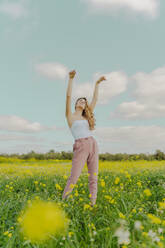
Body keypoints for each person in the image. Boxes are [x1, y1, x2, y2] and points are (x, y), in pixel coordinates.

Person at [62, 69, 106, 206]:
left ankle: (93, 204)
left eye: (84, 101)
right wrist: (71, 79)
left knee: (94, 177)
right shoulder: (70, 116)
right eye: (80, 100)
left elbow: (95, 99)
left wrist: (97, 84)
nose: (82, 101)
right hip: (80, 145)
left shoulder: (86, 116)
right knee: (74, 177)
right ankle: (64, 202)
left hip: (93, 144)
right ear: (76, 104)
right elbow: (68, 96)